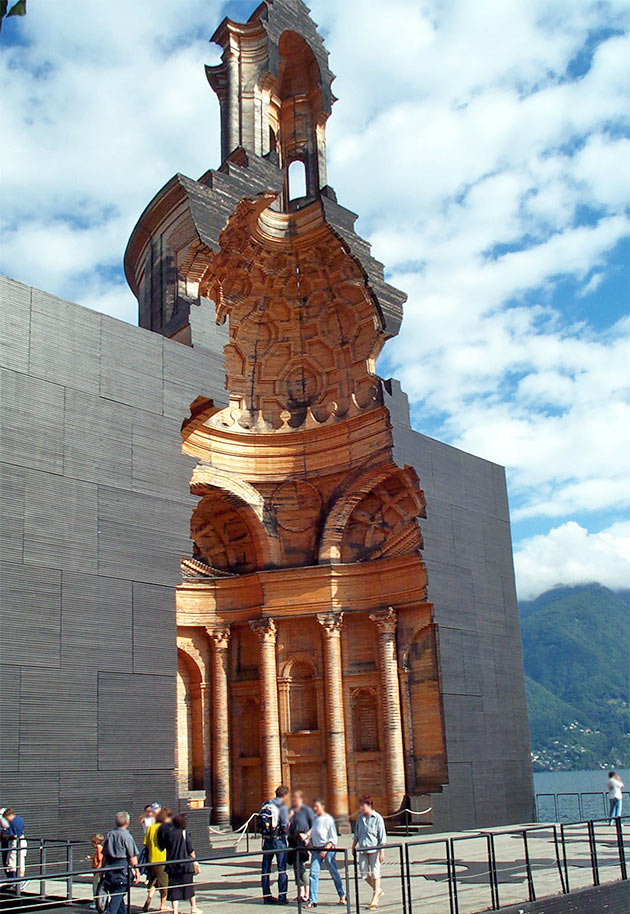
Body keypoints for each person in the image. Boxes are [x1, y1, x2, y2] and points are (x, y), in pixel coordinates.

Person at [305, 799, 346, 909]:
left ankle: (342, 894)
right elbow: (313, 833)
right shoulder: (314, 819)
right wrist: (310, 844)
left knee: (333, 872)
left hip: (327, 849)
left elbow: (333, 838)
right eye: (314, 807)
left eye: (316, 806)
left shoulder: (328, 819)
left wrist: (326, 849)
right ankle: (312, 900)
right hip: (317, 849)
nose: (314, 809)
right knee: (313, 873)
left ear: (322, 807)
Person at [157, 813, 200, 914]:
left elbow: (162, 846)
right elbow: (190, 850)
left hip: (172, 864)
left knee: (174, 888)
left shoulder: (169, 834)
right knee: (189, 886)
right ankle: (193, 907)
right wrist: (194, 858)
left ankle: (175, 911)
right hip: (185, 865)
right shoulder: (184, 833)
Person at [352, 795, 386, 909]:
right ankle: (378, 890)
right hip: (363, 850)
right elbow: (356, 834)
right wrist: (353, 846)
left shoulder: (377, 818)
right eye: (360, 806)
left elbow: (382, 837)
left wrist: (382, 852)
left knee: (375, 873)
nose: (361, 808)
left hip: (374, 850)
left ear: (369, 806)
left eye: (363, 806)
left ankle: (375, 898)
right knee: (364, 874)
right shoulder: (360, 818)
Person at [102, 811, 140, 914]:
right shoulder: (127, 836)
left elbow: (104, 855)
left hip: (110, 868)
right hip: (122, 869)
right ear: (127, 822)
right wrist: (137, 871)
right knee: (118, 894)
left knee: (117, 895)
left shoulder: (110, 835)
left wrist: (102, 869)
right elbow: (132, 856)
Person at [259, 785, 290, 905]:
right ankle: (282, 897)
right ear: (285, 795)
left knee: (265, 869)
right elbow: (285, 826)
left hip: (266, 840)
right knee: (282, 869)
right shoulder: (282, 807)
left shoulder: (265, 804)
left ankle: (266, 896)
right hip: (279, 840)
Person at [288, 790, 315, 903]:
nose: (294, 799)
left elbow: (314, 825)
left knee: (301, 866)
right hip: (293, 840)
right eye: (293, 797)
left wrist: (307, 835)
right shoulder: (292, 811)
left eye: (296, 797)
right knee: (296, 866)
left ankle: (307, 892)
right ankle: (300, 892)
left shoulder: (307, 810)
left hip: (302, 840)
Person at [143, 809, 169, 912]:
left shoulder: (150, 828)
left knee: (153, 881)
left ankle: (149, 899)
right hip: (162, 859)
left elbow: (145, 843)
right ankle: (163, 904)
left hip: (151, 859)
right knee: (164, 883)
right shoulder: (165, 828)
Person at [4, 808, 27, 889]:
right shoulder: (20, 819)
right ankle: (20, 881)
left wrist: (6, 836)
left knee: (12, 862)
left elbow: (14, 835)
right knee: (21, 861)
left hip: (16, 842)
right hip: (22, 840)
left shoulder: (12, 822)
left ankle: (19, 881)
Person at [85, 833, 105, 912]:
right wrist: (91, 857)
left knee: (96, 887)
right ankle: (98, 902)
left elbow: (100, 860)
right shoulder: (101, 849)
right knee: (98, 888)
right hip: (98, 871)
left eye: (92, 843)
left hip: (97, 872)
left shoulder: (99, 850)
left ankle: (96, 903)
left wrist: (98, 869)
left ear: (96, 843)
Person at [0, 808, 10, 877]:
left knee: (9, 861)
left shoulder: (5, 812)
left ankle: (14, 880)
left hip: (8, 839)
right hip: (3, 839)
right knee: (5, 861)